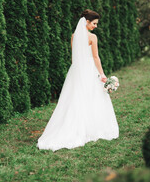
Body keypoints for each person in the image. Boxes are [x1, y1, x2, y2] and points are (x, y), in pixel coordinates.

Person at [37, 9, 119, 151]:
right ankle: (90, 128)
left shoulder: (74, 36)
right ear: (86, 22)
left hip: (76, 70)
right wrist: (102, 73)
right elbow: (95, 57)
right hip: (88, 70)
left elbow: (74, 57)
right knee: (92, 98)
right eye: (94, 23)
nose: (96, 26)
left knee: (75, 98)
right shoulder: (92, 37)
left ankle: (77, 127)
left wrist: (77, 70)